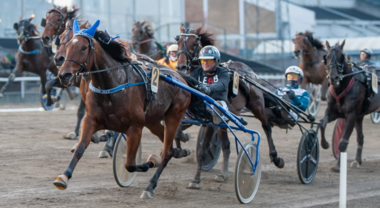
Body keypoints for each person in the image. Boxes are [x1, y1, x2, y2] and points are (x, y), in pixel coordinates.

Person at [190, 45, 230, 124]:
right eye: (202, 60)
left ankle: (218, 116)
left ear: (216, 61)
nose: (205, 63)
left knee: (218, 106)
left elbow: (222, 84)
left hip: (217, 102)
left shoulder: (223, 72)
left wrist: (208, 88)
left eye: (208, 60)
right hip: (200, 104)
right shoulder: (197, 72)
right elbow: (189, 82)